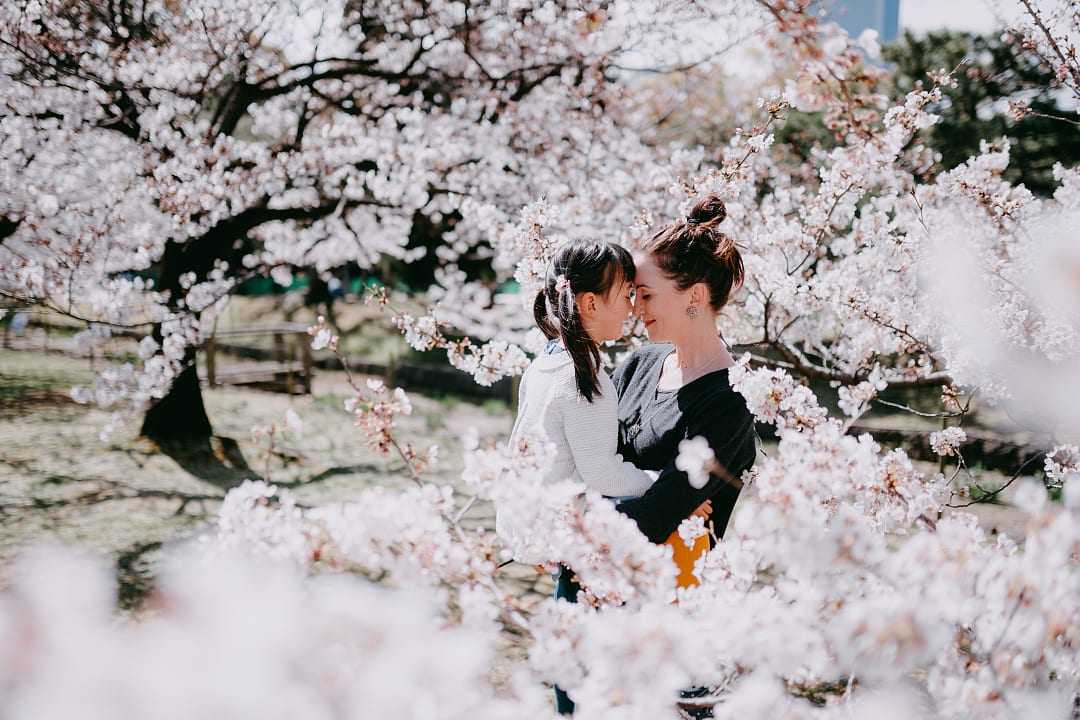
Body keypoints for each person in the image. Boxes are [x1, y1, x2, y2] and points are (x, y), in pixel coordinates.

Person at [613, 193, 757, 558]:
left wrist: (570, 516)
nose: (634, 308)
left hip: (665, 593)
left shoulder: (730, 400)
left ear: (694, 296)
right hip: (586, 563)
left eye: (645, 295)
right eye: (632, 294)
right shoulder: (637, 365)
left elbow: (655, 518)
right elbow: (581, 455)